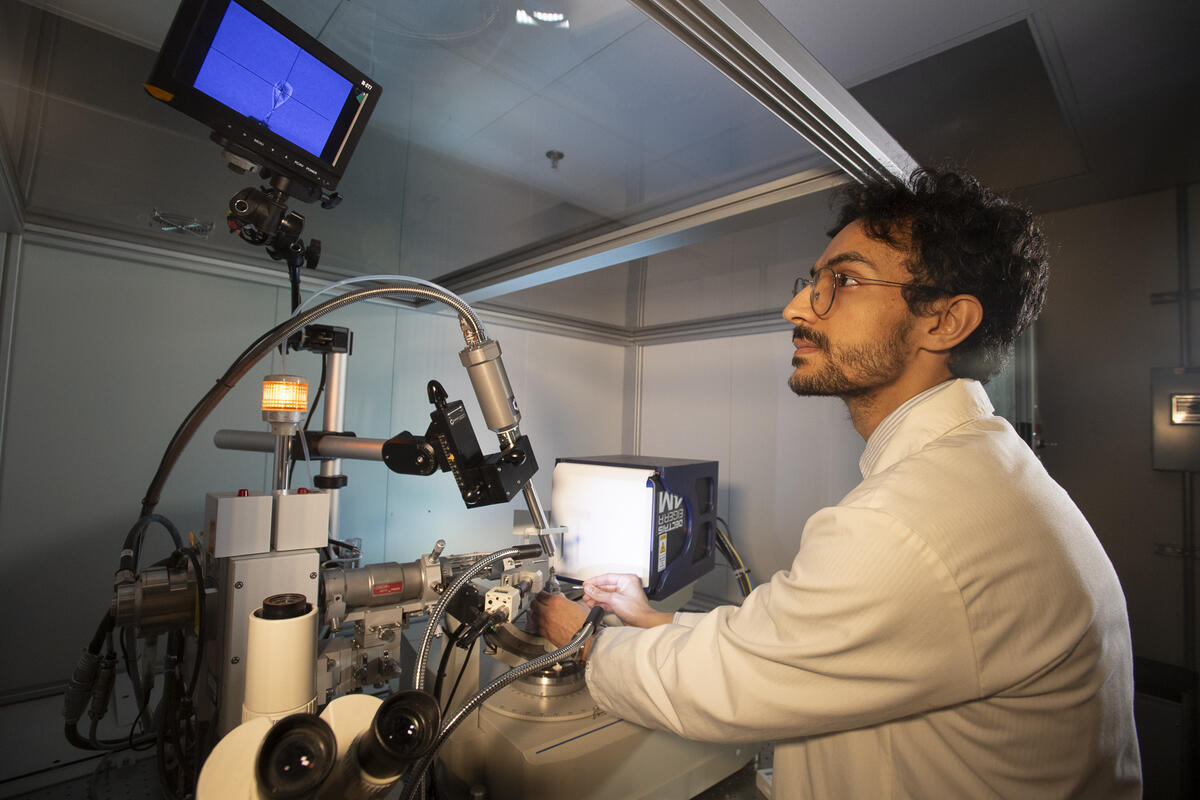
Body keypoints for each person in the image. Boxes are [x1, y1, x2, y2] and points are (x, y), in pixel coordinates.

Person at [533, 167, 1141, 799]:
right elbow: (776, 646)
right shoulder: (974, 474)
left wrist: (584, 643)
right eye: (813, 281)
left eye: (843, 281)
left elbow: (727, 681)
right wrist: (643, 616)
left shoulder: (910, 523)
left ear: (945, 321)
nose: (796, 307)